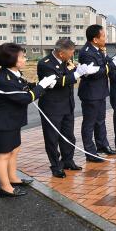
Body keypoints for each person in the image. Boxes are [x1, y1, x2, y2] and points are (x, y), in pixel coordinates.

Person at [0, 43, 57, 197]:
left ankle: (13, 178)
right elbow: (24, 98)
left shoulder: (14, 74)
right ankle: (5, 188)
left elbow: (26, 87)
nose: (25, 58)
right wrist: (42, 86)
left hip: (12, 120)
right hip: (3, 122)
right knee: (3, 155)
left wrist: (41, 85)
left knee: (14, 149)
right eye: (22, 56)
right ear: (12, 60)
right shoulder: (4, 79)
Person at [38, 38, 97, 177]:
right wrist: (77, 74)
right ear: (60, 53)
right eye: (71, 52)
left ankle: (68, 160)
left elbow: (73, 71)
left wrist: (84, 70)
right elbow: (57, 81)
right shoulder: (45, 64)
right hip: (52, 106)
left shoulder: (66, 61)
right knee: (52, 138)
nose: (72, 55)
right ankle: (56, 165)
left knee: (68, 136)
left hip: (67, 104)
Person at [78, 24, 115, 162]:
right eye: (103, 36)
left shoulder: (98, 50)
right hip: (91, 93)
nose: (105, 38)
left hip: (100, 91)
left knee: (100, 120)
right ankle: (90, 152)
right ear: (95, 39)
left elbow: (107, 62)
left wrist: (112, 62)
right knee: (89, 123)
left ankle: (102, 145)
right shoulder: (87, 52)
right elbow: (94, 73)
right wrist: (108, 67)